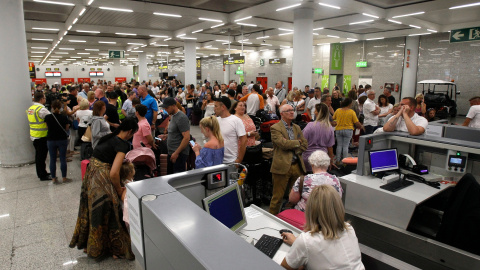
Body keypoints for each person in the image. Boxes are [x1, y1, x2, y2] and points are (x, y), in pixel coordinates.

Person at [70, 118, 138, 261]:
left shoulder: (109, 137)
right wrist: (119, 191)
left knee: (91, 208)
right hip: (102, 177)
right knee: (110, 210)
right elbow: (114, 173)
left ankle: (89, 245)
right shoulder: (122, 145)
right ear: (130, 132)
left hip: (91, 174)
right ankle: (113, 248)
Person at [280, 185, 364, 270]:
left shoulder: (306, 241)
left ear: (311, 210)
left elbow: (285, 267)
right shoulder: (349, 228)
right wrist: (297, 243)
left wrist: (299, 246)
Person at [269, 104, 308, 215]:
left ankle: (291, 218)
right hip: (282, 167)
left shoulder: (297, 127)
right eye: (288, 111)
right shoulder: (275, 128)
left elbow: (305, 144)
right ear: (281, 114)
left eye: (292, 110)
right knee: (277, 197)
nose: (292, 112)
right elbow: (283, 144)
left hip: (297, 166)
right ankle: (272, 218)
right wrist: (297, 143)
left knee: (295, 197)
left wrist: (295, 147)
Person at [158, 97, 190, 174]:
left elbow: (186, 138)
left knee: (177, 179)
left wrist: (176, 153)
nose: (165, 109)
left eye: (167, 107)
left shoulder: (181, 117)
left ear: (173, 105)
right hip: (173, 152)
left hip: (178, 154)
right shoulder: (173, 116)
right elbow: (176, 132)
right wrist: (167, 136)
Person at [302, 103, 335, 173]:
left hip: (309, 158)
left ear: (319, 113)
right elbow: (330, 147)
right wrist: (331, 160)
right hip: (322, 159)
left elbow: (302, 141)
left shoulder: (310, 125)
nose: (314, 112)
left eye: (315, 110)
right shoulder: (330, 128)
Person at [45, 100, 71, 184]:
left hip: (51, 140)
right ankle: (64, 178)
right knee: (62, 158)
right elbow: (67, 128)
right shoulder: (63, 117)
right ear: (60, 107)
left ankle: (53, 178)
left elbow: (47, 127)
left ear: (51, 107)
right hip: (62, 139)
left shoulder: (48, 117)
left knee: (52, 159)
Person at [27, 92, 51, 181]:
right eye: (44, 98)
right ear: (41, 99)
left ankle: (43, 172)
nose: (45, 99)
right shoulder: (41, 109)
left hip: (34, 135)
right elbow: (50, 119)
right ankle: (42, 175)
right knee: (41, 157)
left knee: (39, 156)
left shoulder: (31, 108)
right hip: (42, 136)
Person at [214, 97, 247, 164]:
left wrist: (239, 160)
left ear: (223, 107)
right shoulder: (216, 120)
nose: (214, 109)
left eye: (216, 106)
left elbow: (244, 140)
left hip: (231, 161)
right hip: (217, 160)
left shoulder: (236, 120)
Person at [333, 98, 364, 163]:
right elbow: (356, 122)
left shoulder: (338, 110)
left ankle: (338, 160)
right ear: (349, 104)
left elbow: (333, 118)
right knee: (345, 146)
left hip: (338, 129)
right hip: (348, 130)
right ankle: (345, 161)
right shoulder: (351, 112)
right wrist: (361, 126)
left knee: (339, 145)